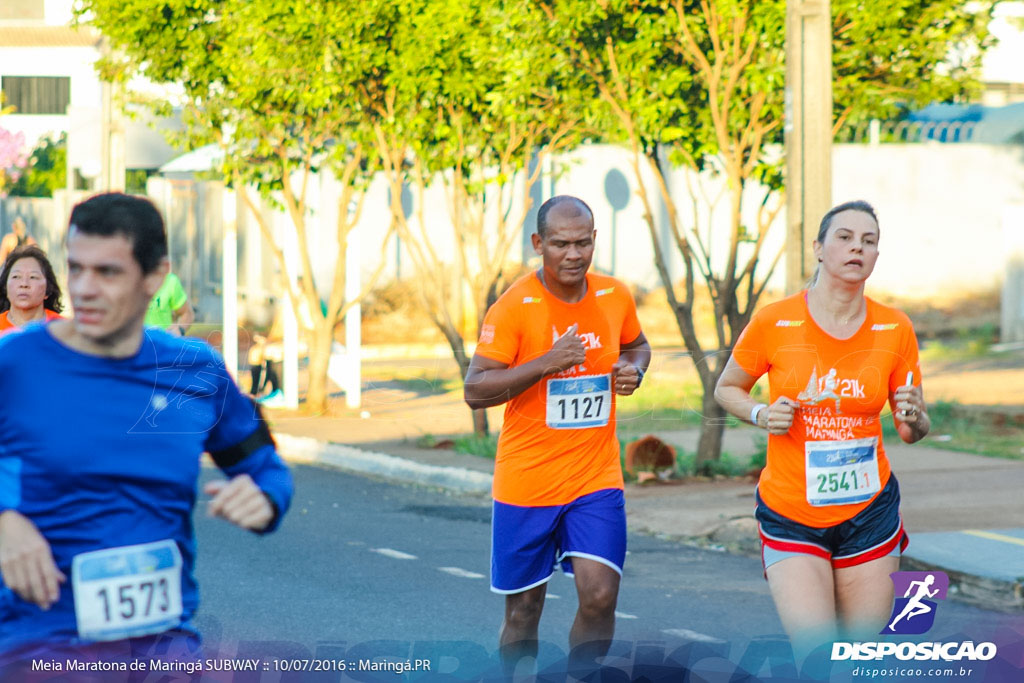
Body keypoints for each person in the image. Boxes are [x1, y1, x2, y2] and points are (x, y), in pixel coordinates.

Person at [0, 193, 293, 664]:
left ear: (156, 277)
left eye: (108, 272)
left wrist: (266, 497)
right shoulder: (14, 363)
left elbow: (267, 467)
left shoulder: (197, 371)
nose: (85, 289)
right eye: (76, 269)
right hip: (39, 649)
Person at [714, 200, 929, 655]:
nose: (858, 249)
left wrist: (916, 416)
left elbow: (911, 430)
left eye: (869, 242)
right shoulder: (775, 320)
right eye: (845, 238)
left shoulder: (895, 327)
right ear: (818, 248)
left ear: (876, 255)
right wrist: (759, 413)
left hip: (869, 513)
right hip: (793, 512)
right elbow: (727, 387)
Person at [464, 195, 651, 674]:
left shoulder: (614, 296)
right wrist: (546, 362)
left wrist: (633, 369)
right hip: (528, 482)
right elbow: (475, 390)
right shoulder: (513, 307)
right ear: (538, 243)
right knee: (524, 611)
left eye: (583, 243)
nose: (573, 254)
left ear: (594, 241)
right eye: (561, 244)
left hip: (595, 477)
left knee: (601, 595)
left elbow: (637, 345)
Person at [0, 244, 63, 332]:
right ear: (5, 287)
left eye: (33, 277)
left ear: (48, 289)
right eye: (16, 276)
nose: (24, 284)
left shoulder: (64, 330)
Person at [145, 269, 195, 336]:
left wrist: (180, 329)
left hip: (161, 344)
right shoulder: (127, 281)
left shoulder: (170, 281)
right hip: (130, 345)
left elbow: (187, 313)